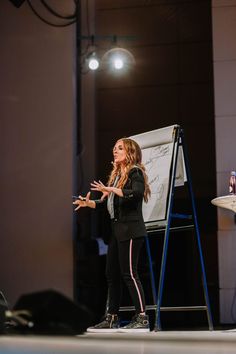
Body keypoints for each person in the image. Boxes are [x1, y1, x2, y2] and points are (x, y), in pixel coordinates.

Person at [73, 138, 151, 333]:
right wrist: (89, 203)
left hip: (131, 230)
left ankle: (142, 317)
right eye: (114, 148)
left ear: (130, 152)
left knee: (130, 273)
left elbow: (136, 194)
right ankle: (112, 317)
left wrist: (111, 190)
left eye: (119, 148)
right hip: (117, 232)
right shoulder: (116, 177)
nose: (115, 151)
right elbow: (106, 204)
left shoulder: (135, 172)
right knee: (111, 275)